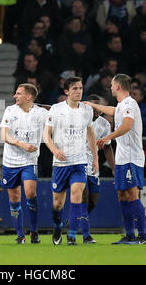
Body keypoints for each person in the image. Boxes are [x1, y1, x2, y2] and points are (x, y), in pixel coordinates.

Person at [84, 73, 146, 245]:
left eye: (112, 85)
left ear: (118, 86)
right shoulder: (122, 105)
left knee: (132, 194)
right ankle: (129, 235)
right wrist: (93, 105)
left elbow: (127, 125)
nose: (111, 87)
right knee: (121, 194)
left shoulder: (129, 103)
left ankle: (143, 236)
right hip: (121, 157)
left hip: (131, 157)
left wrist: (108, 137)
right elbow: (114, 111)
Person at [43, 76, 99, 246]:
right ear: (66, 91)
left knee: (77, 196)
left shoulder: (86, 110)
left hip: (79, 162)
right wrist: (54, 150)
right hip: (60, 164)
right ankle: (58, 226)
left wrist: (95, 158)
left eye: (81, 88)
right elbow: (46, 134)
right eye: (75, 88)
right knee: (57, 203)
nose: (79, 91)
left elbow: (90, 134)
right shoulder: (56, 109)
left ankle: (72, 236)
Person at [0, 83, 49, 244]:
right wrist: (22, 144)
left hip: (29, 161)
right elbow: (4, 136)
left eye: (18, 93)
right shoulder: (10, 110)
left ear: (29, 97)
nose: (15, 96)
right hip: (10, 162)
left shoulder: (40, 113)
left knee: (30, 193)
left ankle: (34, 232)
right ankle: (20, 235)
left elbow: (59, 111)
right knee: (14, 198)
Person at [79, 94, 115, 244]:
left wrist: (113, 168)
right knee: (84, 197)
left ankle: (77, 218)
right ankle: (86, 235)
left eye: (98, 107)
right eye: (93, 107)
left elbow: (107, 147)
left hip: (94, 165)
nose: (96, 110)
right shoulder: (78, 119)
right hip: (78, 163)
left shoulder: (105, 125)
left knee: (93, 201)